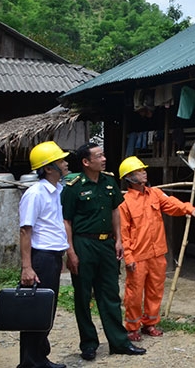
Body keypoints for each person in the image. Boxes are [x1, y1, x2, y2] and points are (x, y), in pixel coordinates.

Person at [61, 142, 146, 360]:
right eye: (99, 156)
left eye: (103, 155)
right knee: (83, 296)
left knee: (110, 294)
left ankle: (119, 342)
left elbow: (115, 210)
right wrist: (70, 251)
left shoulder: (109, 182)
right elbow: (67, 221)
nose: (104, 159)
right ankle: (88, 344)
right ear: (86, 162)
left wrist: (118, 240)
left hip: (107, 245)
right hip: (83, 244)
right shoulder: (74, 187)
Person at [118, 156, 195, 342]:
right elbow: (124, 233)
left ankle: (150, 324)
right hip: (138, 256)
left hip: (157, 253)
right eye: (140, 171)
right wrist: (129, 257)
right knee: (133, 294)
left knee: (155, 291)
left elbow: (172, 204)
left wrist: (189, 209)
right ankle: (132, 327)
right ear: (130, 177)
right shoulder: (124, 202)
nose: (144, 172)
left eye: (143, 169)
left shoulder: (155, 194)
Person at [17, 141, 72, 368]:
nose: (66, 163)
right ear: (48, 168)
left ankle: (40, 357)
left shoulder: (58, 191)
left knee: (46, 310)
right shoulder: (35, 193)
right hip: (40, 258)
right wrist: (27, 267)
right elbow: (25, 230)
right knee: (35, 311)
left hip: (52, 257)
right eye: (60, 161)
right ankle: (30, 361)